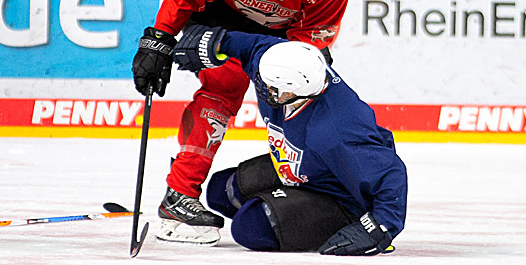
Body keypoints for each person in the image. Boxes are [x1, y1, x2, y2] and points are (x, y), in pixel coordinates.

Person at [130, 0, 352, 243]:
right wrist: (158, 41)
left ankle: (309, 182)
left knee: (295, 92)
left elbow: (313, 37)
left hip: (284, 25)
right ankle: (179, 194)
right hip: (220, 1)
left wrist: (286, 80)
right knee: (224, 85)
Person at [172, 23, 407, 252]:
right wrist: (217, 41)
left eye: (269, 85)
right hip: (306, 169)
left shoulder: (337, 129)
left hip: (340, 197)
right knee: (222, 192)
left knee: (251, 227)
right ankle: (287, 207)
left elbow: (391, 174)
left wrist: (380, 226)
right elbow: (254, 47)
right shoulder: (284, 64)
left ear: (291, 92)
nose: (260, 83)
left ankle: (331, 219)